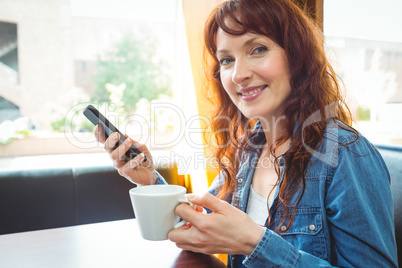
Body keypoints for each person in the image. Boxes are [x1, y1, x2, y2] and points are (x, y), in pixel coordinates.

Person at [94, 0, 398, 267]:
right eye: (226, 59)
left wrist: (255, 243)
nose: (238, 74)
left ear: (297, 56)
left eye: (258, 49)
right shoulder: (249, 147)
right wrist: (149, 179)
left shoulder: (346, 154)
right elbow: (197, 217)